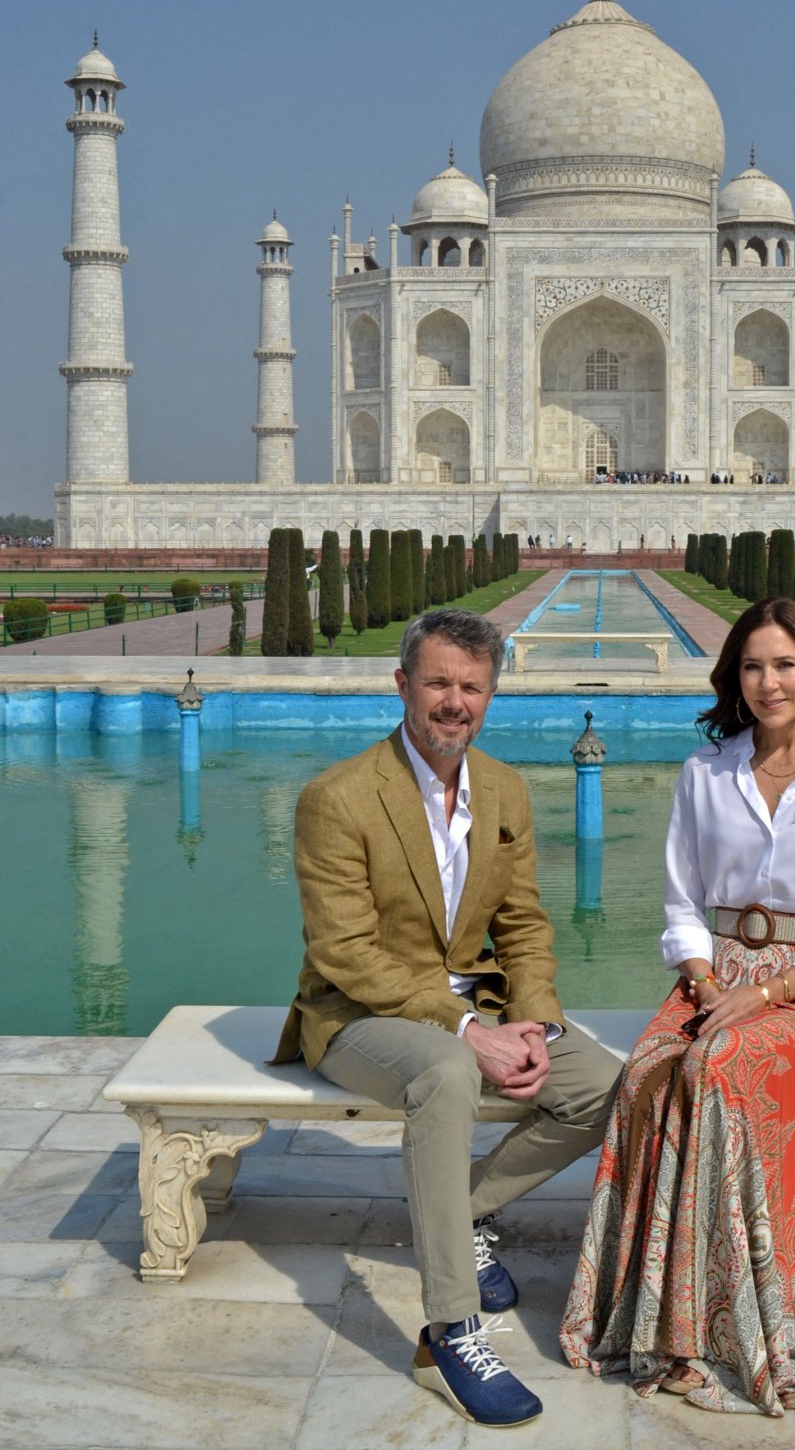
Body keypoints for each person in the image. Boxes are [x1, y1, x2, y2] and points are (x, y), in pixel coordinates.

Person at [273, 609, 622, 1428]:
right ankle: (451, 1333)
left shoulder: (503, 788)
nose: (453, 702)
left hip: (482, 1003)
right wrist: (469, 1031)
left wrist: (532, 1020)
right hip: (359, 1013)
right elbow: (344, 954)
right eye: (437, 682)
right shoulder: (339, 798)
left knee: (612, 1086)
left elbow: (526, 925)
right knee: (447, 1070)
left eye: (471, 687)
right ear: (403, 685)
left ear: (491, 697)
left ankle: (457, 1209)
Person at [561, 596, 795, 1415]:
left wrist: (768, 990)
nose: (769, 682)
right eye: (753, 665)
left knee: (717, 1065)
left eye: (785, 664)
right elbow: (681, 900)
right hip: (714, 975)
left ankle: (739, 1309)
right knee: (651, 1070)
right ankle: (662, 1304)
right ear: (734, 677)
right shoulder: (706, 773)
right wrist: (709, 980)